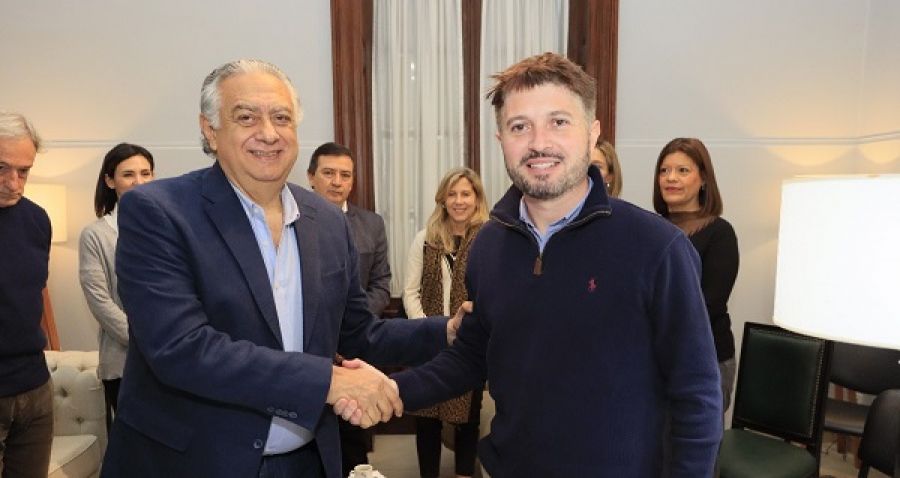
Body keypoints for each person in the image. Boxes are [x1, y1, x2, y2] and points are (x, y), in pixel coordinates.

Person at [354, 52, 723, 476]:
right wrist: (391, 390)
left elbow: (697, 394)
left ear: (592, 133)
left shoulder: (657, 248)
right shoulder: (488, 245)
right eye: (519, 126)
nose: (538, 143)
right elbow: (472, 356)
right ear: (501, 139)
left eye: (558, 122)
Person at [100, 59, 461, 478]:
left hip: (307, 461)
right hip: (193, 462)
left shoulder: (328, 222)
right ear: (209, 129)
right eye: (246, 117)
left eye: (282, 118)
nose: (268, 133)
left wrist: (447, 331)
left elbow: (358, 333)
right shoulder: (158, 211)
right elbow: (182, 348)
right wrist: (330, 382)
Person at [306, 142, 391, 476]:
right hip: (307, 352)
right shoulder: (290, 220)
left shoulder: (371, 224)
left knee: (353, 438)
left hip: (354, 350)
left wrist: (350, 324)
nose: (337, 182)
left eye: (345, 175)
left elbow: (381, 282)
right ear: (311, 177)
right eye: (328, 173)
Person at [402, 167, 488, 478]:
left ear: (477, 198)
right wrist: (429, 329)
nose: (459, 201)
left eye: (466, 194)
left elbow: (494, 291)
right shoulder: (425, 238)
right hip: (428, 339)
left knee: (467, 417)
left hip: (471, 341)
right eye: (452, 194)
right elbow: (410, 292)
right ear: (442, 199)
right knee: (426, 417)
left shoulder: (489, 239)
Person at [653, 137, 739, 412]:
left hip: (706, 357)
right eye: (664, 170)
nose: (671, 178)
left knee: (697, 437)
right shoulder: (649, 229)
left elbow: (709, 304)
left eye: (682, 170)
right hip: (655, 359)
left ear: (703, 179)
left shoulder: (720, 233)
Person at [78, 142, 155, 429]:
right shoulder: (96, 235)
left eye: (146, 173)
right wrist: (147, 341)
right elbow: (100, 301)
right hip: (123, 364)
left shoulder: (167, 228)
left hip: (170, 363)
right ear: (110, 181)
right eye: (128, 175)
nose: (139, 182)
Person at [0, 111, 54, 478]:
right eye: (1, 168)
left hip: (35, 390)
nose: (13, 183)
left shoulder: (37, 220)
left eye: (24, 171)